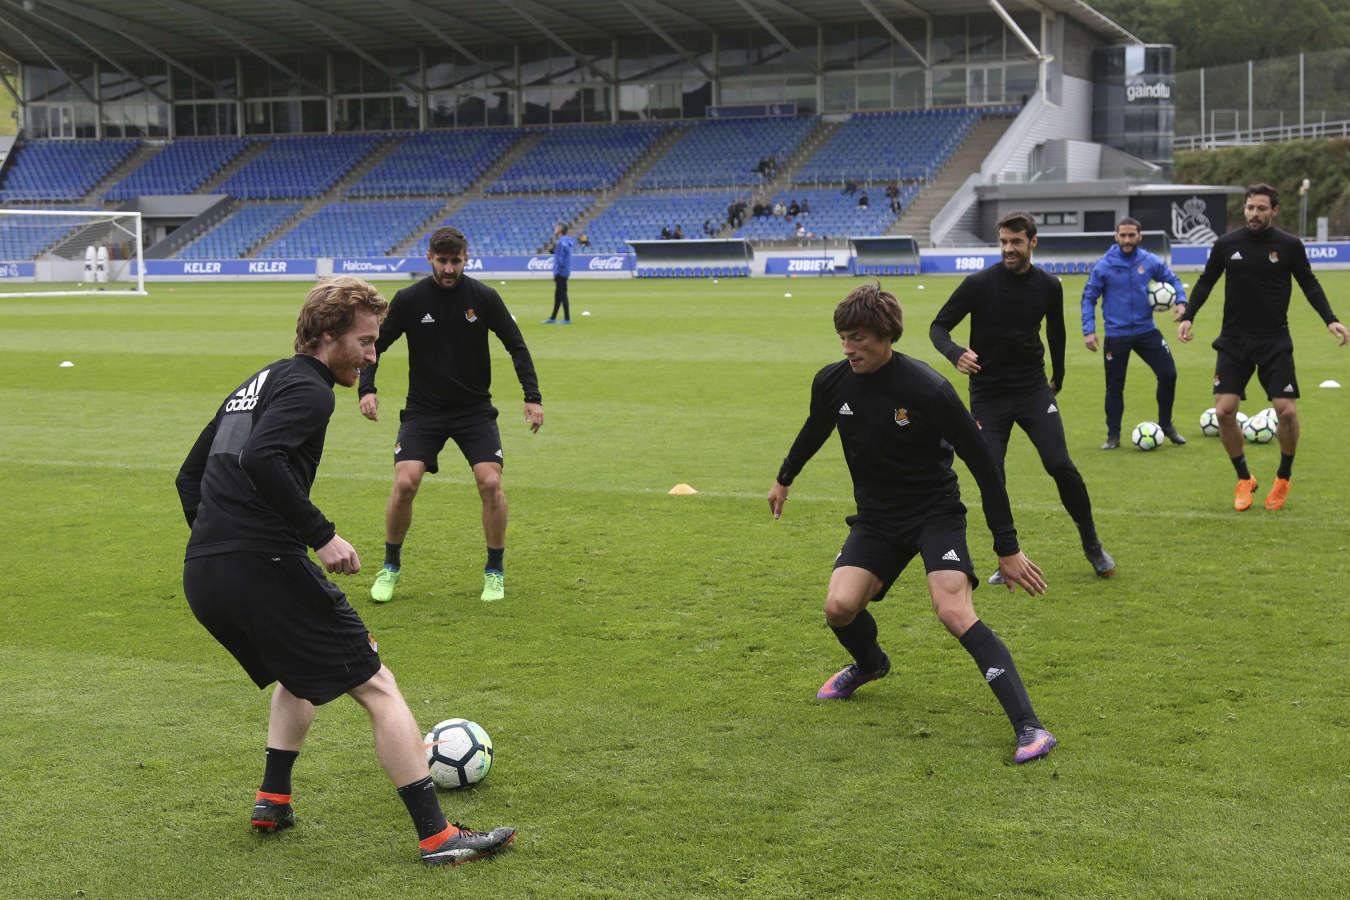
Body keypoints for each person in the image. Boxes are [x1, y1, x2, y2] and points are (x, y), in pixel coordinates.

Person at [175, 276, 515, 867]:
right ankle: (438, 837)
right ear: (326, 336)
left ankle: (272, 798)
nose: (371, 355)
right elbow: (262, 459)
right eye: (363, 341)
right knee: (378, 686)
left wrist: (220, 544)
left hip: (205, 574)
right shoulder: (309, 391)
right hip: (263, 561)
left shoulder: (255, 384)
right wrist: (320, 535)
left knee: (297, 672)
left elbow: (189, 477)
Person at [768, 282, 1056, 764]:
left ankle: (1031, 727)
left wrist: (1007, 548)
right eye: (842, 336)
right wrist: (784, 478)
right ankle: (870, 665)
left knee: (953, 611)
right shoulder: (832, 381)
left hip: (933, 512)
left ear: (885, 335)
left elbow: (985, 465)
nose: (847, 347)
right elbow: (817, 426)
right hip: (877, 519)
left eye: (858, 337)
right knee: (839, 607)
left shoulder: (929, 389)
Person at [359, 226, 543, 604]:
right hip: (423, 412)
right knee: (405, 483)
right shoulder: (410, 300)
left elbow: (517, 346)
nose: (448, 269)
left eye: (455, 262)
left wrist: (532, 397)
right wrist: (367, 388)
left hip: (474, 411)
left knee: (490, 483)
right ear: (429, 259)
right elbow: (376, 345)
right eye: (441, 261)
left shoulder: (484, 298)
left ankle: (494, 572)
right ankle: (390, 567)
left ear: (466, 259)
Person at [931, 210, 1115, 583]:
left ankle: (1092, 544)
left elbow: (1057, 335)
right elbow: (939, 327)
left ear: (1033, 242)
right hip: (988, 393)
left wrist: (1057, 378)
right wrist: (955, 353)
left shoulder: (1049, 286)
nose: (1008, 249)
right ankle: (1007, 555)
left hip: (1033, 388)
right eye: (1003, 242)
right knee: (991, 474)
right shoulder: (978, 284)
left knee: (1059, 464)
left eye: (1016, 242)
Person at [1178, 183, 1348, 511]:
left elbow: (1309, 284)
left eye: (1261, 209)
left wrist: (1331, 319)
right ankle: (1244, 478)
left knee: (1286, 410)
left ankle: (1283, 478)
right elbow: (1206, 282)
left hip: (1274, 340)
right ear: (1244, 209)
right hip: (1233, 340)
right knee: (1224, 411)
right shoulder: (1227, 244)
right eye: (1250, 208)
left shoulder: (1289, 246)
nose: (1254, 215)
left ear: (1274, 211)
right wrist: (1189, 315)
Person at [1082, 217, 1189, 449]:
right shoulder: (1104, 265)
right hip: (1116, 334)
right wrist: (1089, 331)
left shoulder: (1149, 261)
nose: (1127, 240)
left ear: (1139, 237)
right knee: (1114, 386)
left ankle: (1166, 425)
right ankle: (1113, 436)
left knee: (1168, 374)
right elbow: (1089, 298)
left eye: (1132, 235)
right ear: (1116, 237)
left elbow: (1172, 279)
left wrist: (1181, 301)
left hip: (1146, 330)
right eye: (1123, 235)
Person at [544, 223, 574, 324]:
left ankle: (567, 318)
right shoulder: (565, 241)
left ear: (560, 230)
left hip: (561, 272)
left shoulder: (561, 242)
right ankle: (553, 317)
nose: (555, 228)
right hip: (563, 271)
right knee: (558, 295)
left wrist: (558, 272)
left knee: (562, 295)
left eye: (557, 227)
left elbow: (561, 259)